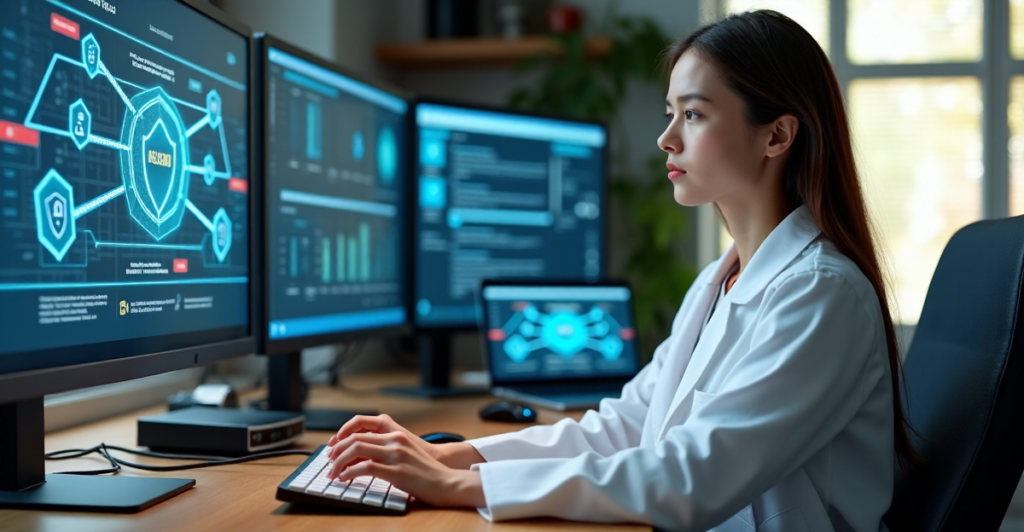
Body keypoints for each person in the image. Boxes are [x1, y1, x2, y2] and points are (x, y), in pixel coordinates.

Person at [323, 10, 915, 531]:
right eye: (669, 113)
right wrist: (453, 457)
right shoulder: (722, 279)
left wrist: (460, 488)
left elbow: (695, 479)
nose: (665, 138)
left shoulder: (820, 293)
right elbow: (626, 429)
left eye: (694, 115)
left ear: (777, 135)